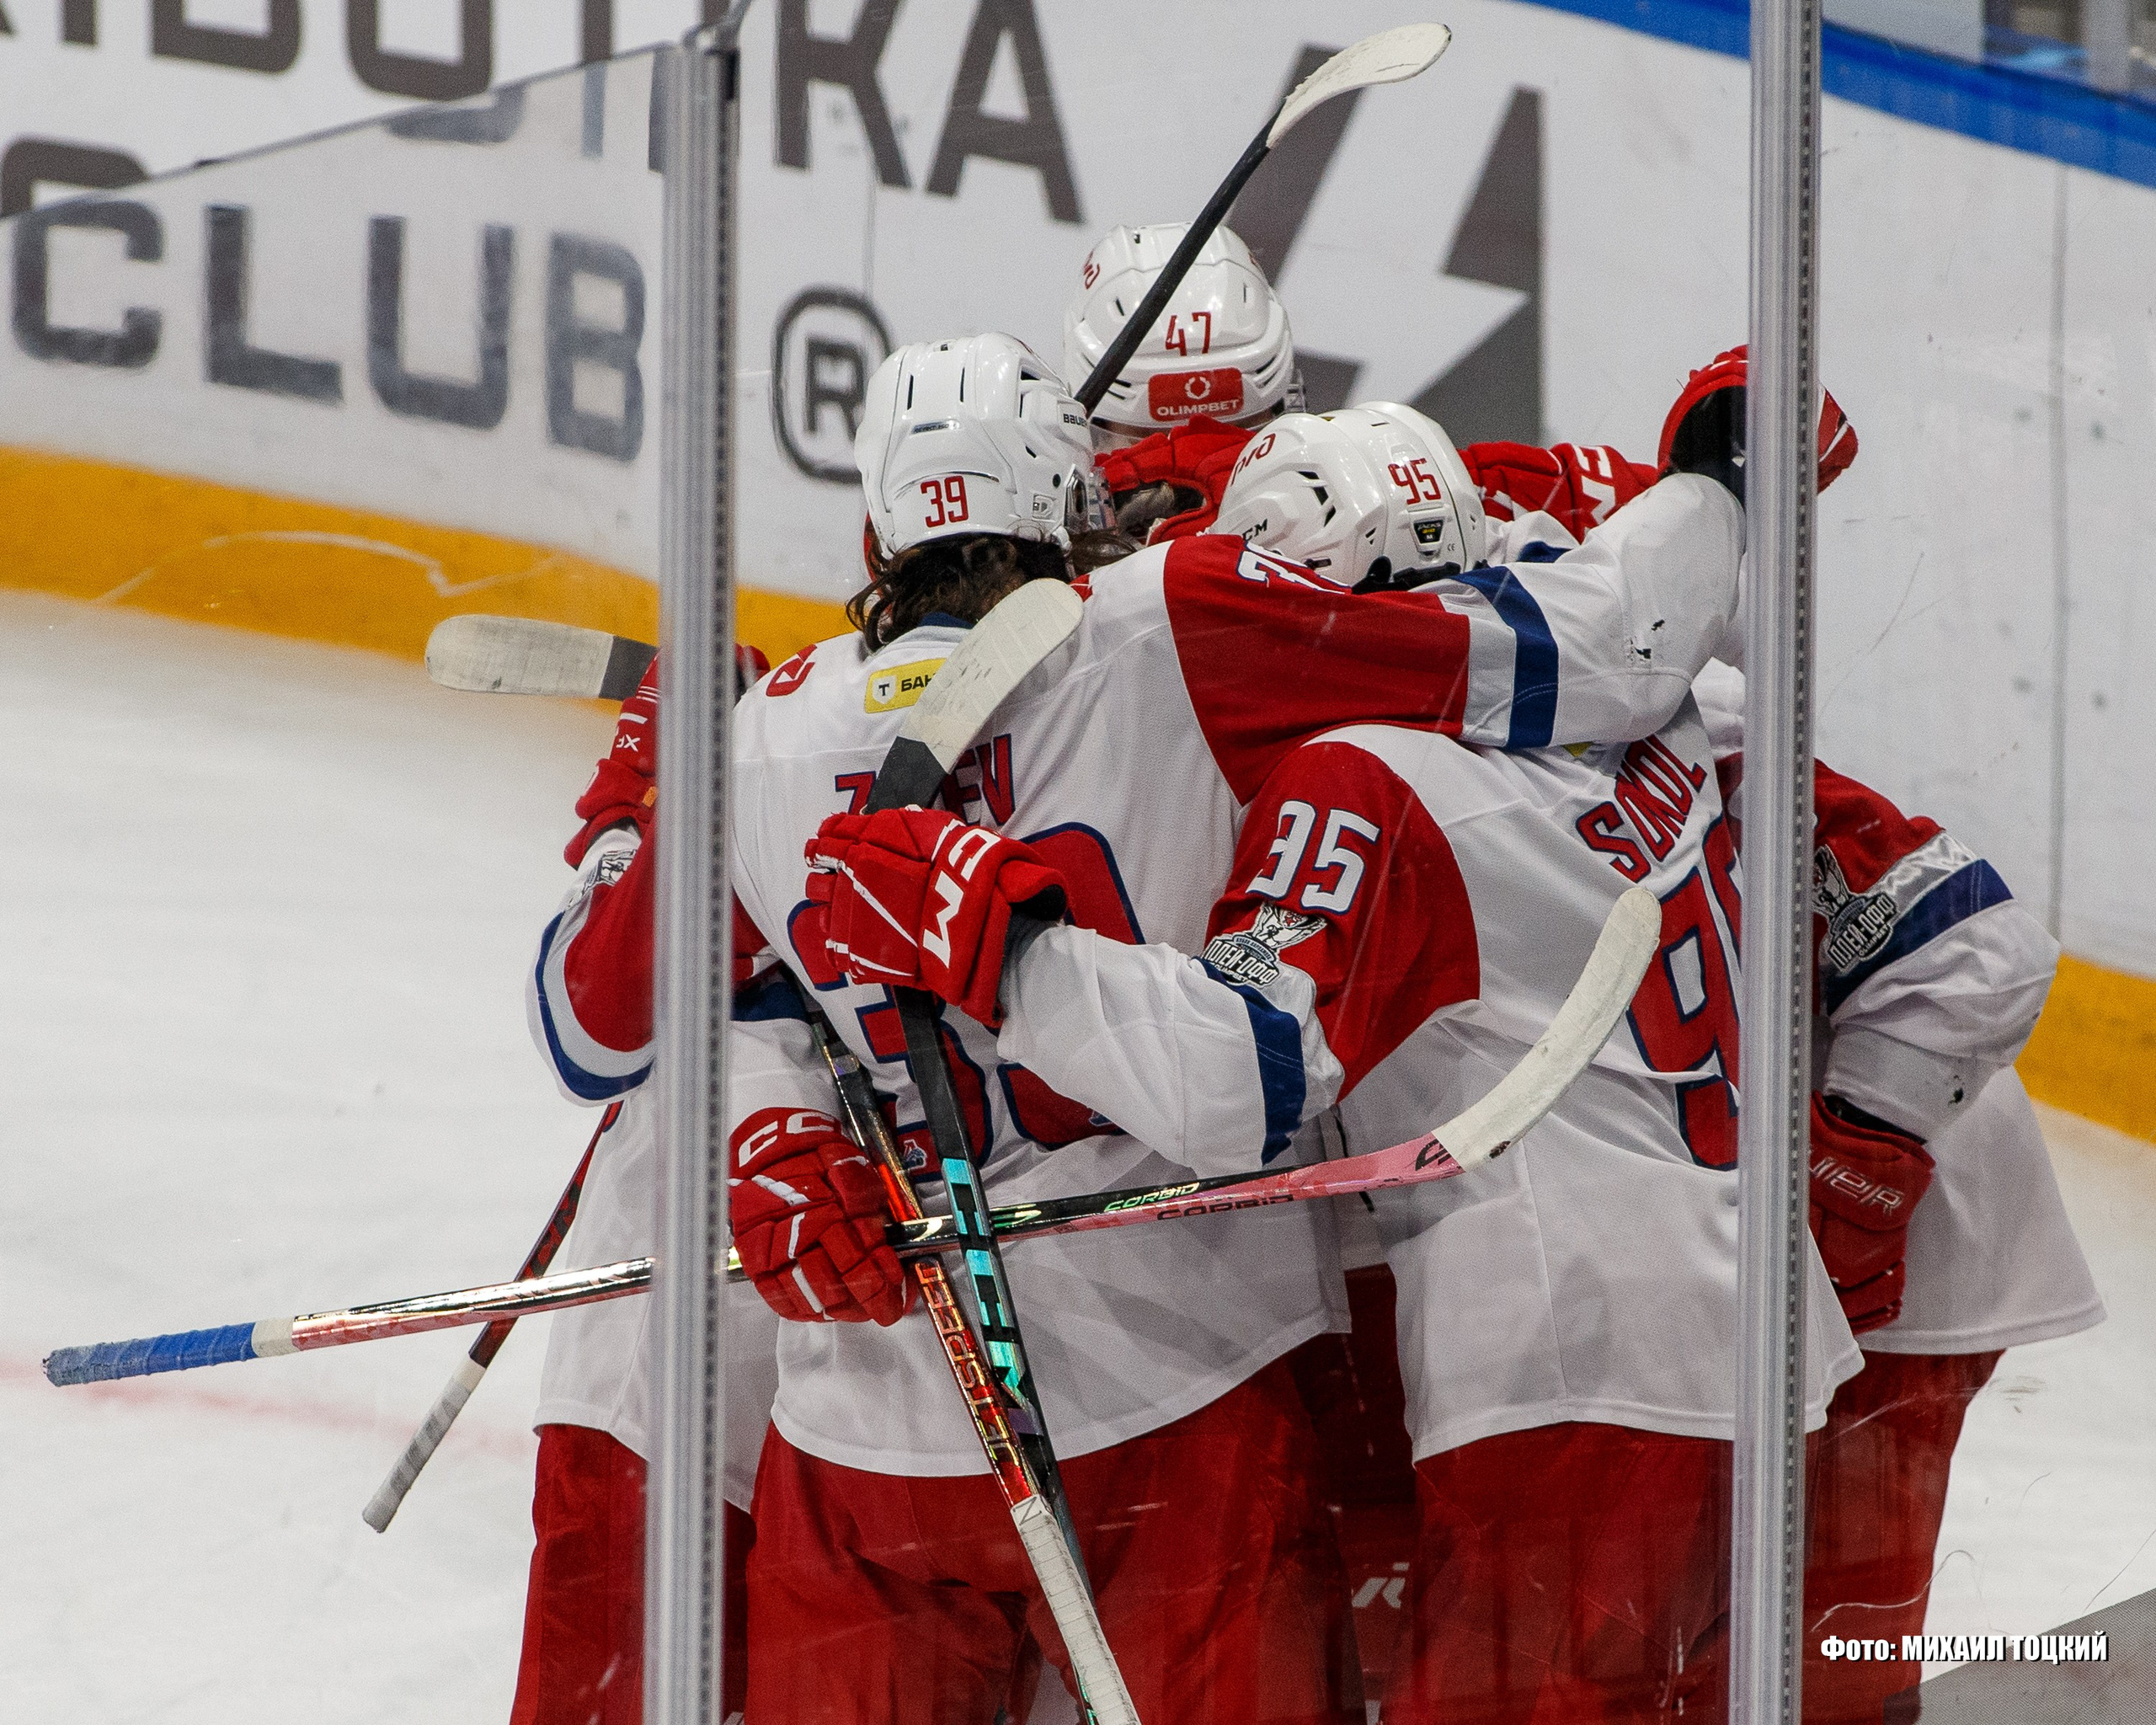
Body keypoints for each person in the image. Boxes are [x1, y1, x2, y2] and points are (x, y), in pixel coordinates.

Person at [803, 373, 1870, 1721]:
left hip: (1570, 1381)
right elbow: (1648, 589)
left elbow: (1232, 1087)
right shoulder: (1662, 713)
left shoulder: (1358, 778)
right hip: (1785, 1350)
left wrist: (999, 947)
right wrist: (1728, 468)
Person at [1689, 665, 2103, 1722]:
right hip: (1766, 1250)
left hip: (1916, 1261)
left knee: (1831, 1653)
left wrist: (1851, 1178)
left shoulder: (1698, 742)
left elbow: (1986, 950)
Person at [513, 648, 776, 1725]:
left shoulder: (787, 758)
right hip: (872, 1377)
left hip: (669, 1375)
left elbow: (590, 1031)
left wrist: (632, 812)